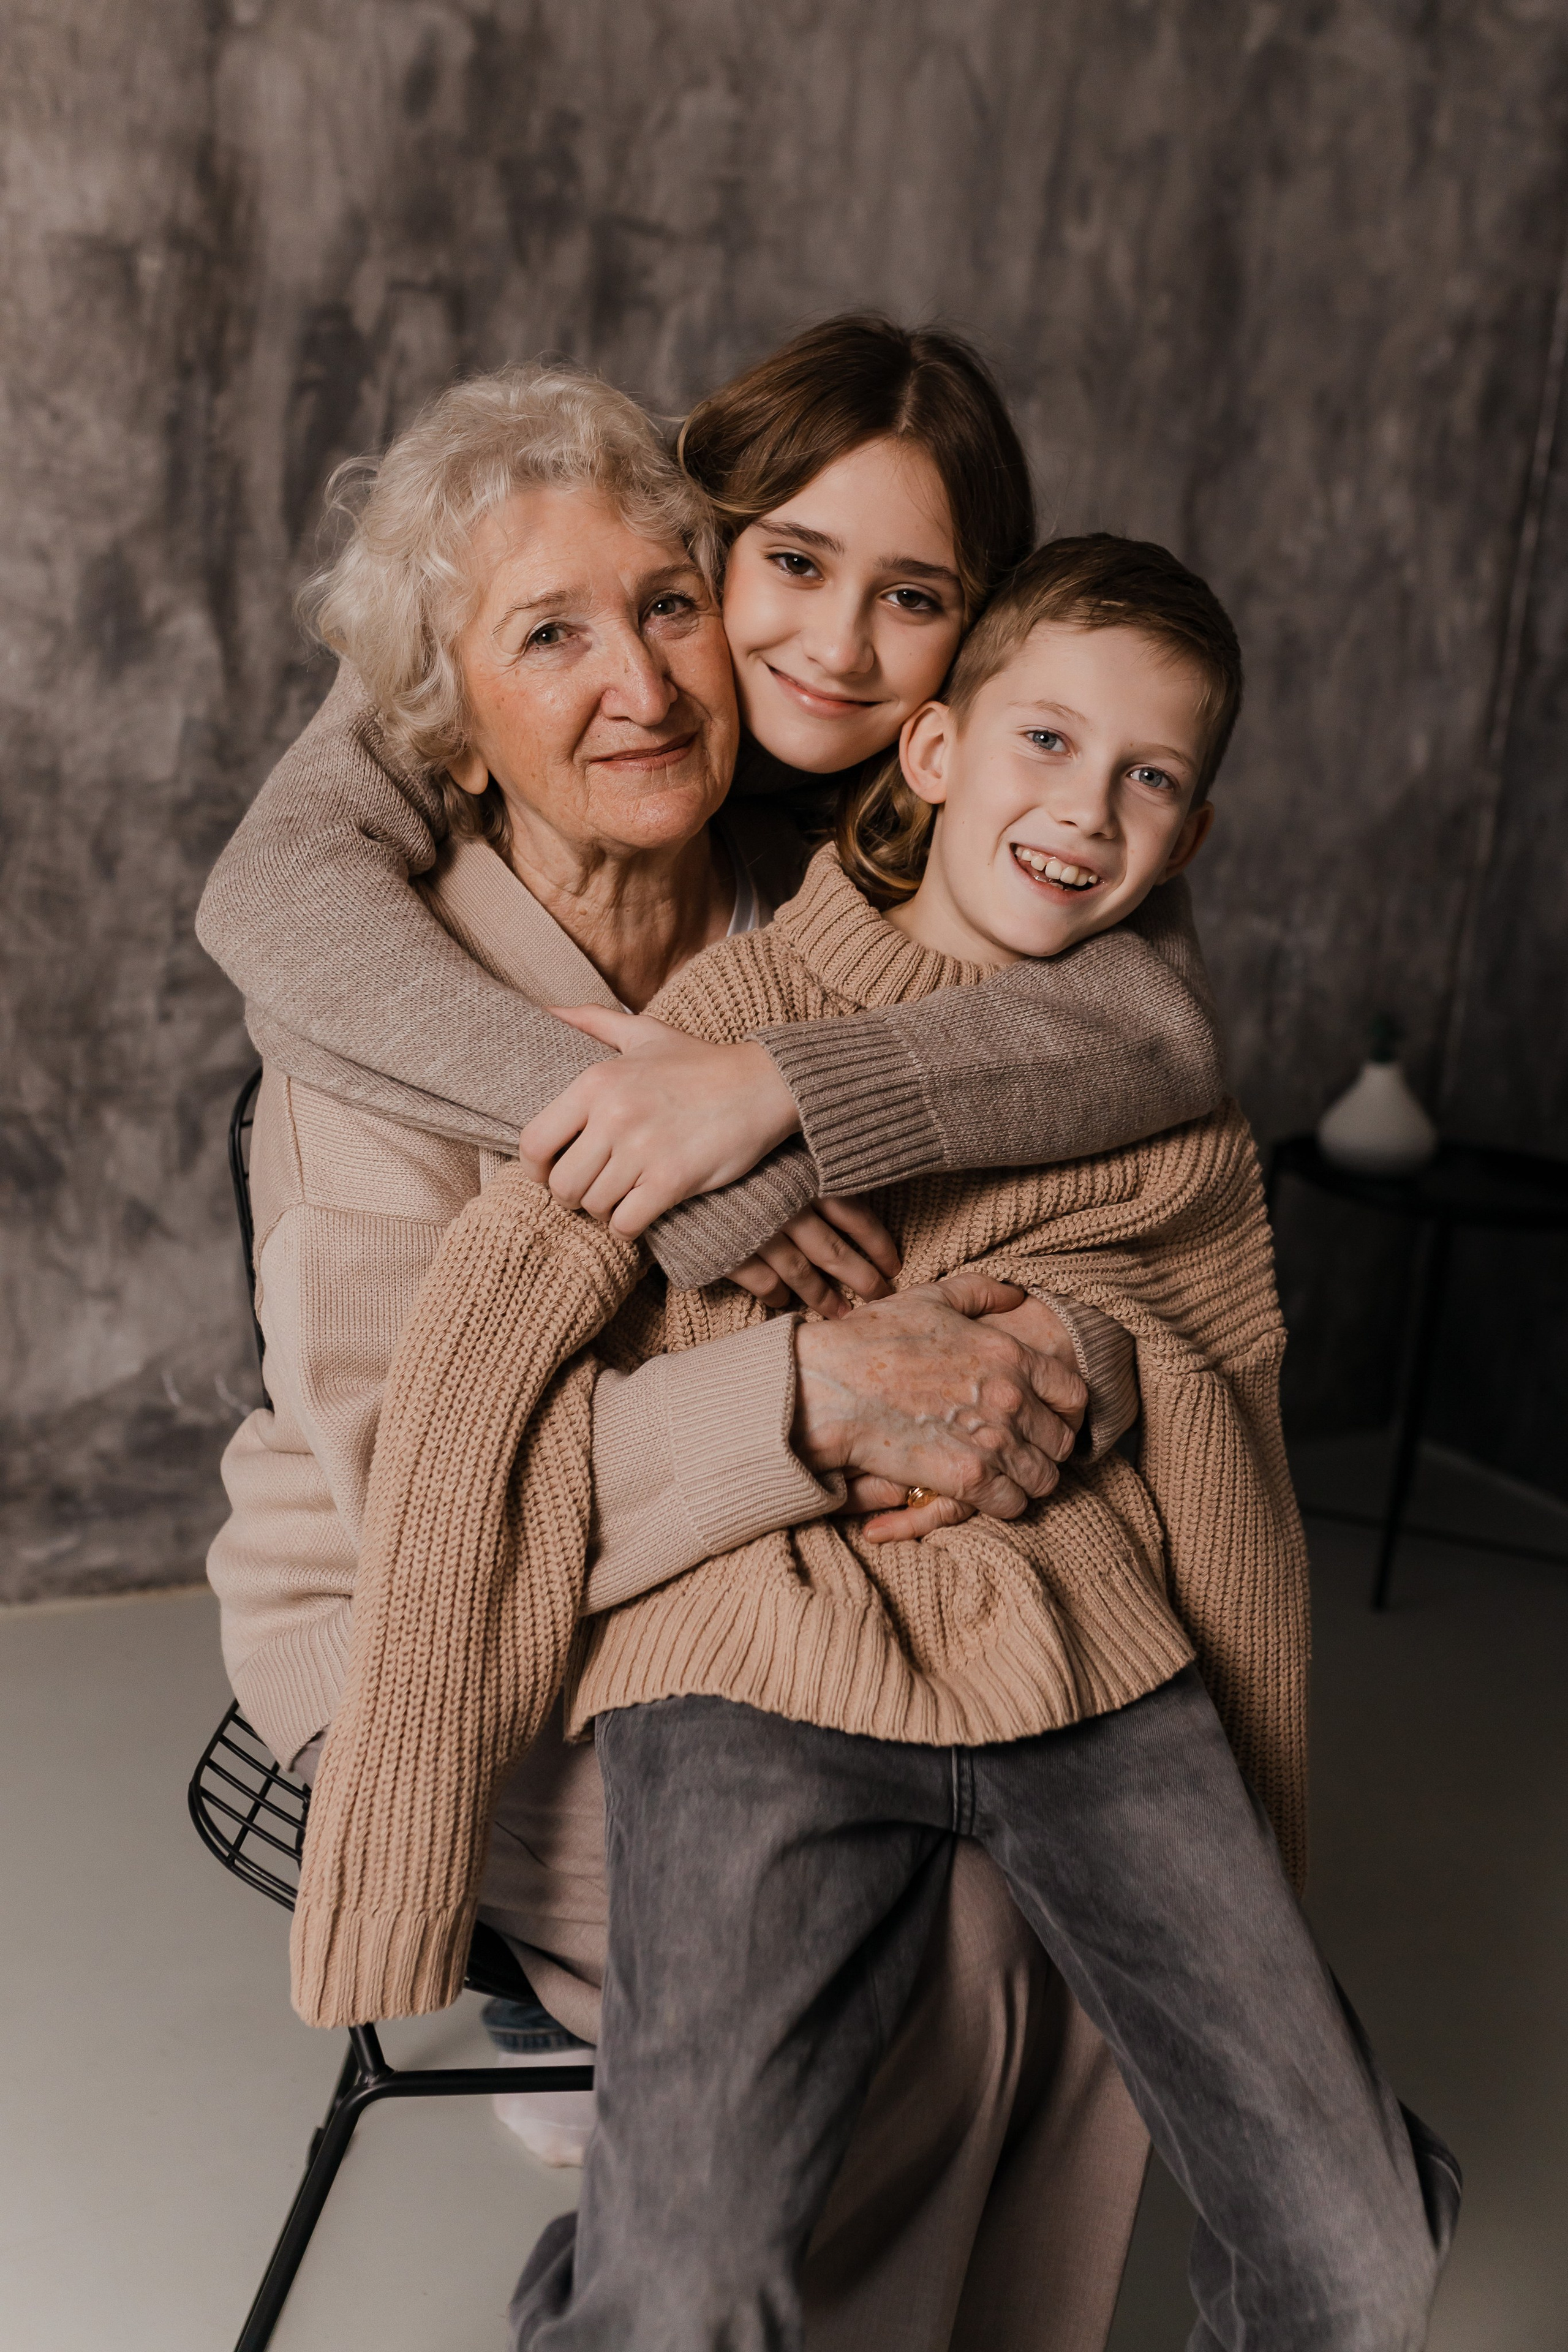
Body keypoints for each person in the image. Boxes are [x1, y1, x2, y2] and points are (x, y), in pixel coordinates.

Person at [294, 534, 1461, 2350]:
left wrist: (1085, 1343)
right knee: (687, 2290)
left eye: (1152, 778)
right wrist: (406, 1808)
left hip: (1086, 1662)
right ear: (932, 754)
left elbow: (1207, 1331)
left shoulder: (1153, 1068)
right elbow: (485, 1324)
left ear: (1194, 839)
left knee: (1363, 2259)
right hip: (750, 1667)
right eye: (1049, 744)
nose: (1089, 808)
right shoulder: (729, 1028)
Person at [203, 343, 1225, 2346]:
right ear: (449, 733)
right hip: (449, 1621)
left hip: (783, 1587)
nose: (650, 682)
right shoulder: (379, 1008)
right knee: (923, 1943)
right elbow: (440, 1498)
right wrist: (821, 1389)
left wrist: (1037, 1344)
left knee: (1043, 1904)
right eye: (553, 638)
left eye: (672, 607)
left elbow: (1137, 1065)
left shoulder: (813, 875)